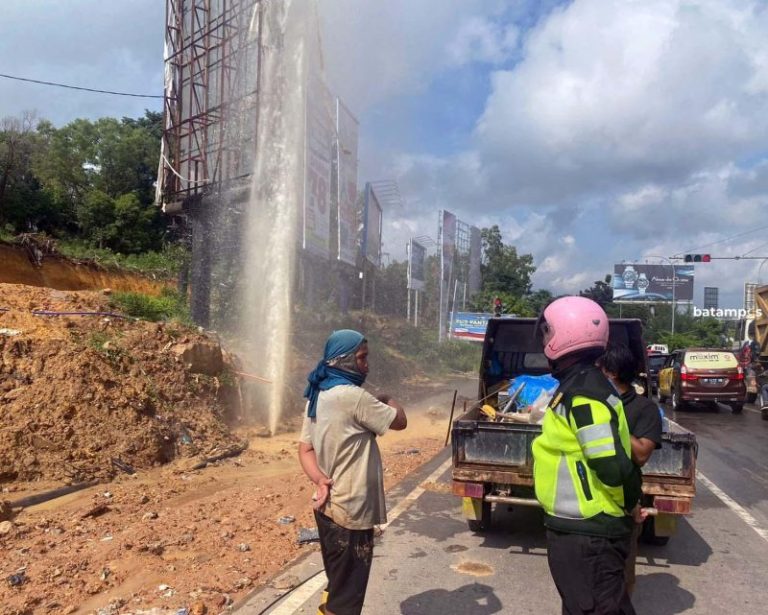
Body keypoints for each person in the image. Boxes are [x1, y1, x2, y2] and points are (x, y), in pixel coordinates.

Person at [532, 296, 642, 615]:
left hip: (590, 532)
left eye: (546, 333)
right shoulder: (581, 385)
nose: (544, 341)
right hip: (583, 530)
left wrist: (630, 500)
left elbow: (611, 466)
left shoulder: (584, 395)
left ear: (562, 334)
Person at [298, 329, 407, 615]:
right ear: (344, 361)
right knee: (347, 600)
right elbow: (400, 421)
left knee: (339, 583)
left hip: (327, 507)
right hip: (352, 512)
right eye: (362, 358)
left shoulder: (317, 396)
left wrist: (320, 479)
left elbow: (305, 450)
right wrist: (388, 397)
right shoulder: (354, 397)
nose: (366, 364)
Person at [598, 342, 663, 595]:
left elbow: (642, 454)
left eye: (599, 370)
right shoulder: (592, 404)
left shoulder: (644, 409)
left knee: (622, 575)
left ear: (611, 373)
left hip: (624, 504)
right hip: (591, 501)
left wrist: (610, 421)